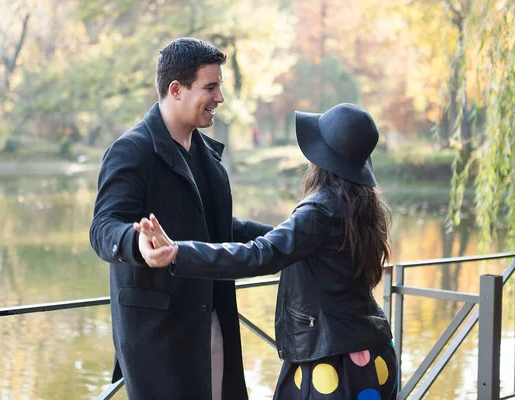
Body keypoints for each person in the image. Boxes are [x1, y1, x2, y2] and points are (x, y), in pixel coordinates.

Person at [136, 103, 398, 400]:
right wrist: (216, 224)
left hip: (330, 365)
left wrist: (178, 253)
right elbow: (287, 242)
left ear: (320, 158)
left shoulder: (320, 209)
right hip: (374, 359)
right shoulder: (361, 204)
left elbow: (261, 254)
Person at [89, 37, 273, 400]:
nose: (219, 97)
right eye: (210, 86)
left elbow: (221, 230)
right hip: (160, 344)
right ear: (176, 90)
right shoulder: (131, 150)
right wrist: (139, 244)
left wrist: (287, 238)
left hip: (215, 324)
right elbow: (103, 228)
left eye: (219, 86)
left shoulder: (208, 159)